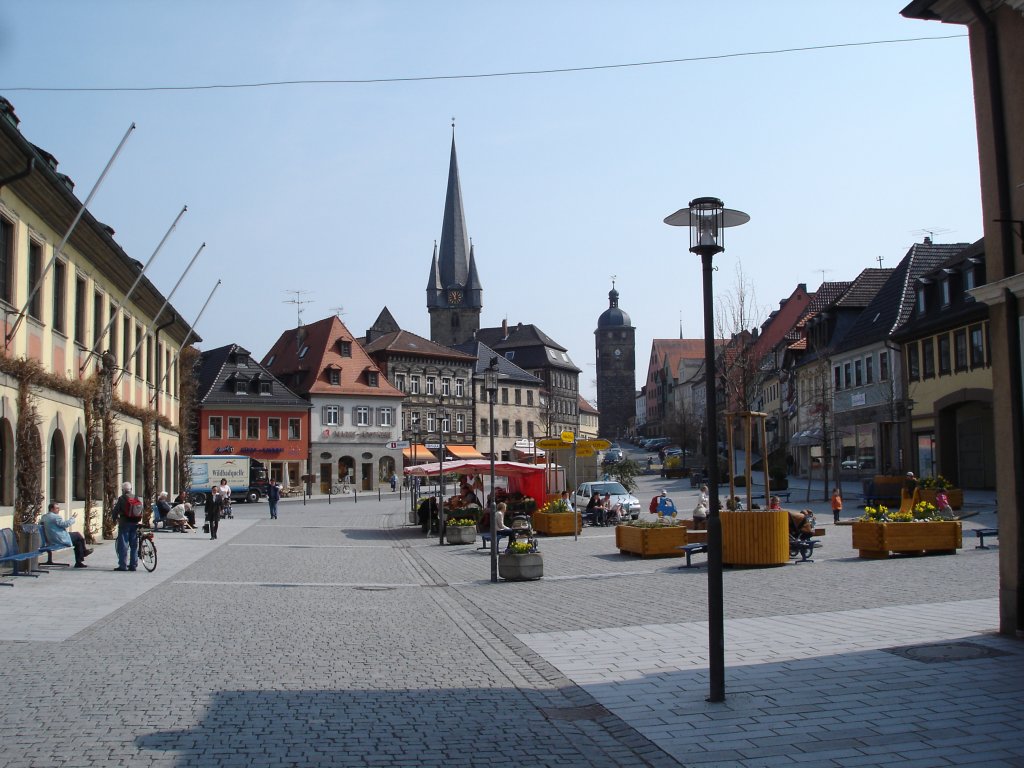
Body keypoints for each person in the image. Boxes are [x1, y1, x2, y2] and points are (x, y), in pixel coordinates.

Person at [41, 502, 92, 568]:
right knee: (78, 535)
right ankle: (84, 552)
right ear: (51, 509)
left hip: (51, 539)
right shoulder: (55, 517)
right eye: (56, 508)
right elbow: (64, 524)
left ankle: (79, 562)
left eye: (58, 508)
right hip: (59, 539)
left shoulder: (44, 517)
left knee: (78, 542)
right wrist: (72, 518)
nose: (58, 510)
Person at [113, 481, 143, 571]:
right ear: (131, 489)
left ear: (123, 490)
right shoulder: (137, 497)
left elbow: (116, 510)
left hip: (124, 523)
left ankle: (123, 565)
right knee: (134, 545)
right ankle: (133, 565)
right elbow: (141, 510)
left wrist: (113, 519)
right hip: (135, 523)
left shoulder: (122, 498)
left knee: (123, 545)